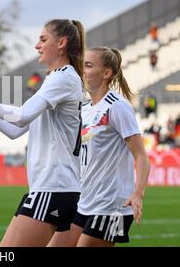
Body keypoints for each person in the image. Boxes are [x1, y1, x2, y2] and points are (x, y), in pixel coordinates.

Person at [0, 19, 85, 246]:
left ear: (62, 43)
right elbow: (15, 129)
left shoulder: (63, 77)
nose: (37, 45)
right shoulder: (56, 78)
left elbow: (20, 116)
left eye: (43, 39)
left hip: (53, 187)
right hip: (55, 188)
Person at [51, 46, 150, 247]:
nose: (83, 70)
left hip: (113, 208)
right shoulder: (85, 109)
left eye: (88, 65)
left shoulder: (117, 106)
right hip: (85, 204)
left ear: (106, 73)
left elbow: (141, 155)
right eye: (82, 65)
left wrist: (138, 193)